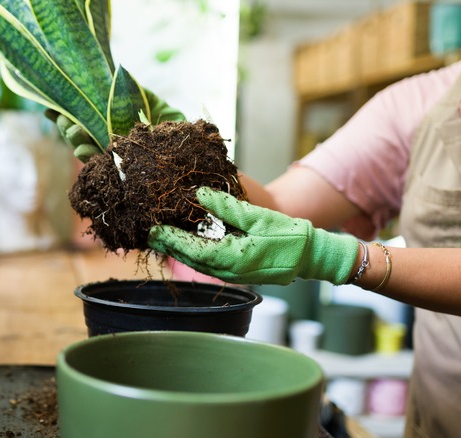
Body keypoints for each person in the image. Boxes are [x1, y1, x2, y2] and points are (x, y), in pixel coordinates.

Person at [53, 60, 461, 437]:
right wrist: (169, 156)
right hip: (438, 412)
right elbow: (281, 205)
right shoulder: (418, 103)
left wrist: (343, 258)